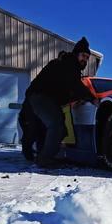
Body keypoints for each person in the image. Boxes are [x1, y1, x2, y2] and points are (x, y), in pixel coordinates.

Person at [22, 37, 93, 167]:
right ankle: (44, 158)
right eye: (83, 55)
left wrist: (75, 100)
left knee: (46, 128)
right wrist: (93, 98)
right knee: (56, 125)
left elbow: (65, 89)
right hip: (40, 96)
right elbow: (75, 85)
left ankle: (40, 155)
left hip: (42, 98)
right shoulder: (69, 64)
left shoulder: (67, 65)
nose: (85, 59)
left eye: (87, 58)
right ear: (76, 53)